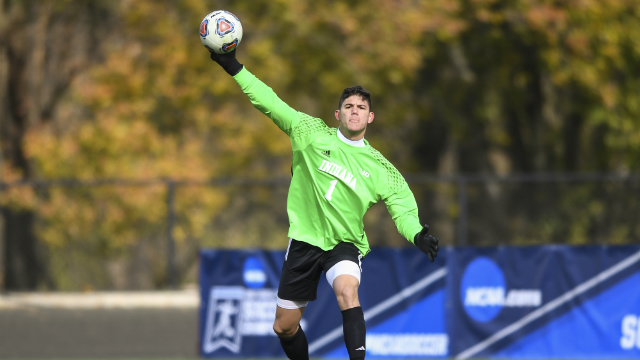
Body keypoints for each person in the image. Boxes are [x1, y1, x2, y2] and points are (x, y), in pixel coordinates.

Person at [208, 48, 439, 360]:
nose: (354, 111)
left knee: (348, 291)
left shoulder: (383, 170)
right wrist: (233, 66)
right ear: (338, 114)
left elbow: (403, 208)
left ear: (370, 117)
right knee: (284, 327)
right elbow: (269, 101)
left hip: (344, 243)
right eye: (348, 106)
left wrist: (418, 234)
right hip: (304, 240)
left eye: (361, 107)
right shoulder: (309, 132)